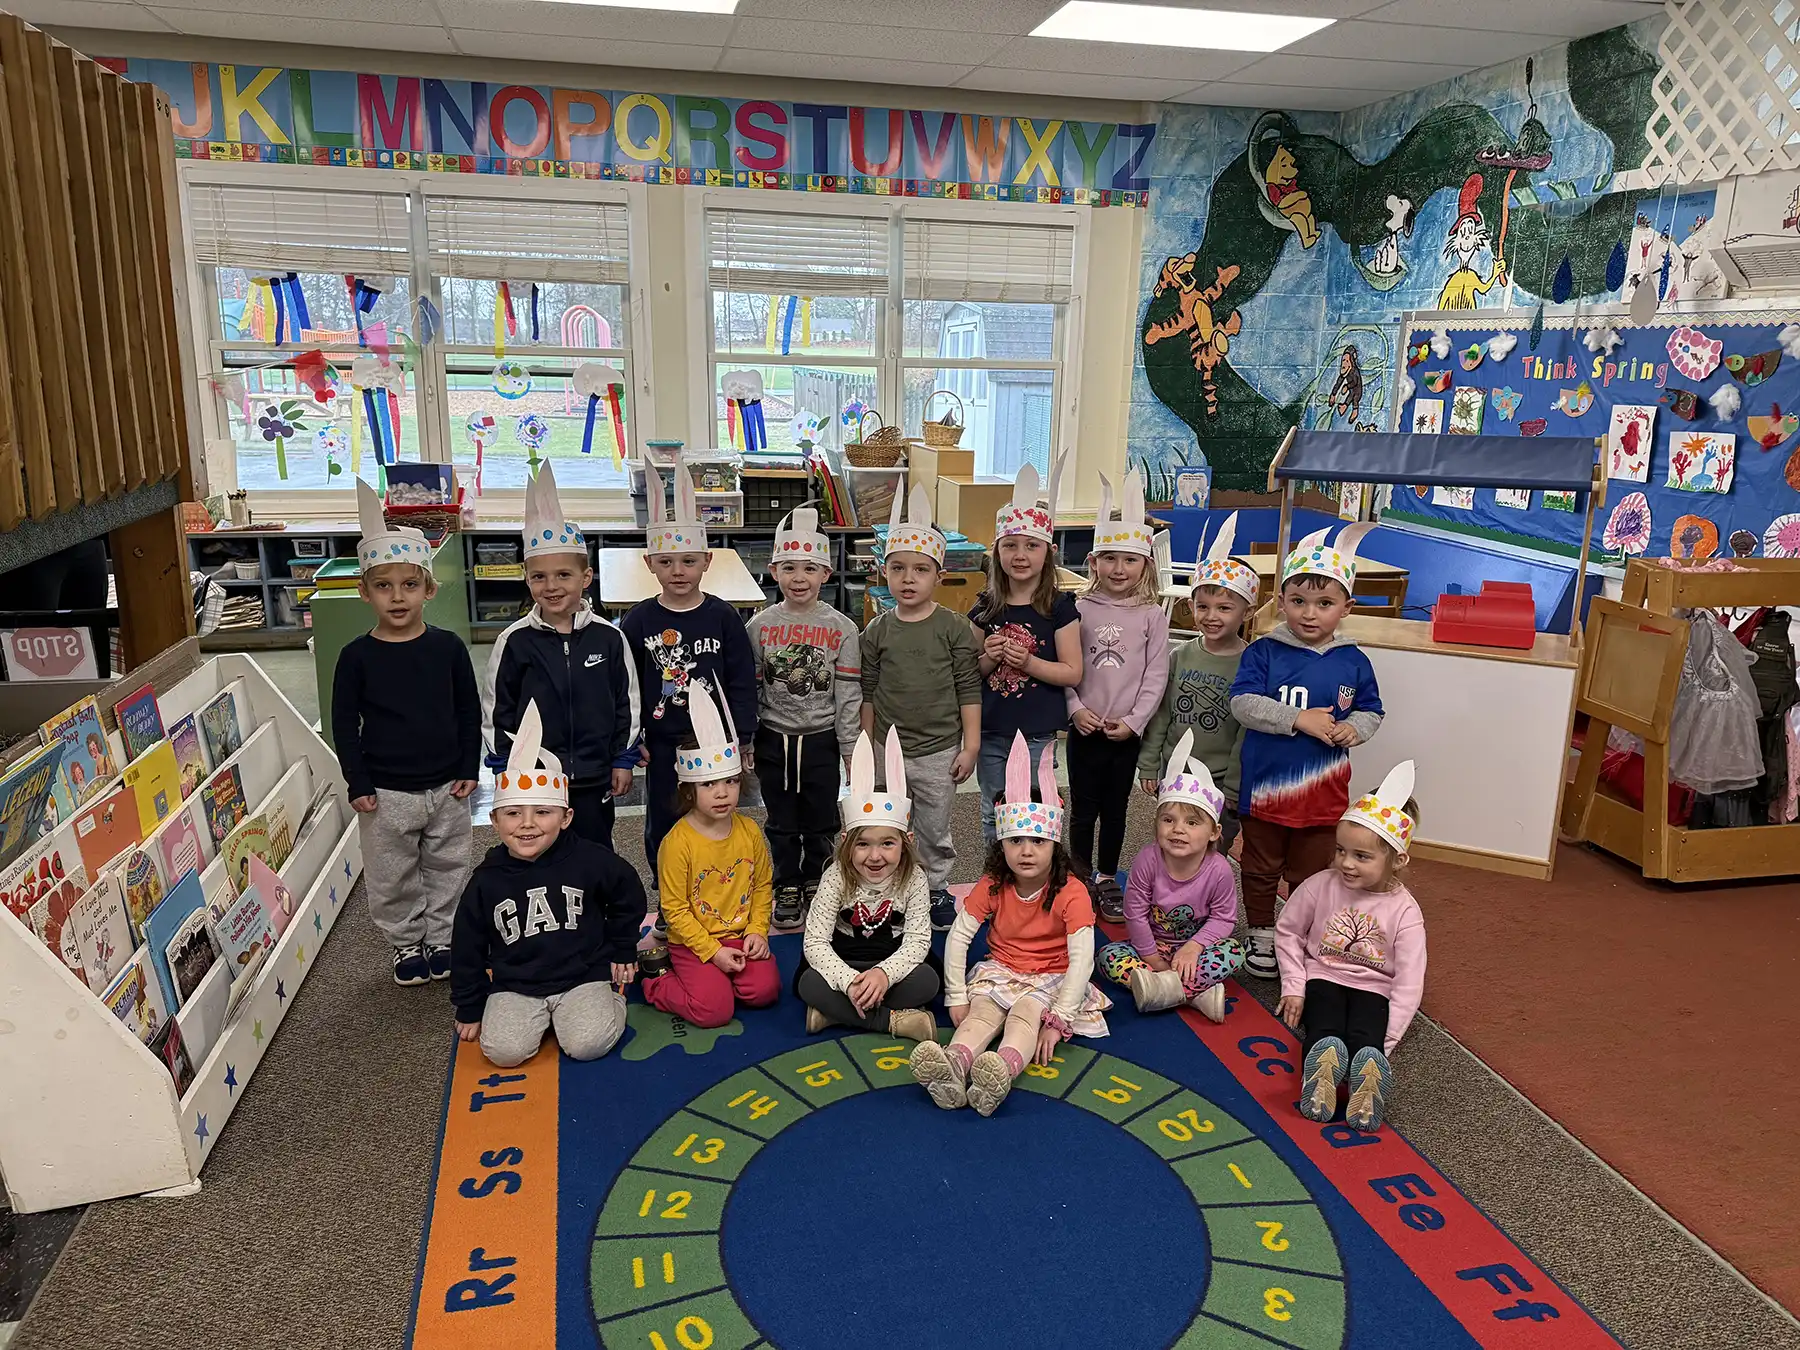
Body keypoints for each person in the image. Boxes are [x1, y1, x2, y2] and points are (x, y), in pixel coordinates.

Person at [910, 733, 1109, 1117]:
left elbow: (1082, 959)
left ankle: (1000, 1070)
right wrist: (957, 995)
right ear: (1001, 843)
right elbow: (959, 936)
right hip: (1002, 969)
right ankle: (952, 1065)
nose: (1026, 851)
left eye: (1037, 841)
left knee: (1025, 1016)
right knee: (982, 1012)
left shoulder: (1072, 892)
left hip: (1051, 976)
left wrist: (1059, 1020)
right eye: (1015, 840)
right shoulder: (993, 883)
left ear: (1055, 843)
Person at [332, 482, 479, 987]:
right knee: (391, 873)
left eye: (410, 585)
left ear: (429, 589)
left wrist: (468, 765)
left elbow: (468, 709)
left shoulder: (449, 648)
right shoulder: (356, 657)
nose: (397, 596)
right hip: (386, 790)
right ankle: (405, 942)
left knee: (448, 864)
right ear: (365, 591)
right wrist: (357, 781)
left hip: (447, 785)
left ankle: (442, 937)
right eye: (383, 586)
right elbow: (343, 723)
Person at [451, 701, 645, 1067]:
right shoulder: (486, 880)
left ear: (566, 817)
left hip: (583, 975)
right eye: (513, 813)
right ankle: (545, 1018)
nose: (527, 824)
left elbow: (628, 894)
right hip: (516, 984)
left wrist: (622, 947)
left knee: (588, 1045)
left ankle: (609, 1001)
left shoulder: (591, 859)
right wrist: (469, 1004)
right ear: (494, 820)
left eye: (542, 812)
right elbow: (466, 947)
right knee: (503, 1053)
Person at [1229, 523, 1384, 981]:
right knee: (1260, 866)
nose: (1309, 614)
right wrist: (1298, 719)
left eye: (1324, 604)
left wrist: (1355, 728)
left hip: (1323, 797)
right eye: (1298, 601)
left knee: (1312, 871)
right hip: (1265, 791)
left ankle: (1297, 932)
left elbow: (1372, 709)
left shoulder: (1354, 661)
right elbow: (1243, 703)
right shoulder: (1264, 652)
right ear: (1281, 601)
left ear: (1346, 608)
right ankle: (1261, 929)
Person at [485, 463, 639, 850]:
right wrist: (504, 766)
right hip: (534, 776)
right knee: (538, 848)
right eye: (539, 576)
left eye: (563, 575)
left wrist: (622, 758)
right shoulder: (513, 641)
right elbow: (496, 709)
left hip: (594, 773)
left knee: (595, 847)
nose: (551, 586)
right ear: (527, 578)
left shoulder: (610, 638)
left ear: (585, 578)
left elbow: (628, 702)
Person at [619, 458, 757, 876]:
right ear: (649, 563)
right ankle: (667, 887)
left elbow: (741, 680)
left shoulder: (724, 617)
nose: (678, 571)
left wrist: (744, 736)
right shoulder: (638, 621)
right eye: (666, 562)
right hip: (661, 741)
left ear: (706, 561)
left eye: (689, 561)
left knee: (717, 812)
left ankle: (716, 880)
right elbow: (626, 686)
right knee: (664, 815)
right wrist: (631, 739)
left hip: (716, 739)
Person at [1276, 762, 1426, 1133]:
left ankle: (1369, 1072)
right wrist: (1294, 986)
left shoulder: (1406, 912)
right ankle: (1325, 1069)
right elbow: (1289, 931)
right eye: (1341, 850)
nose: (1345, 863)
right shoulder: (1320, 885)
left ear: (1397, 860)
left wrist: (1386, 1042)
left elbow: (1409, 981)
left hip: (1375, 989)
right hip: (1323, 976)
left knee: (1366, 1036)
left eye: (1362, 856)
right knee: (1324, 1026)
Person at [860, 486, 981, 931]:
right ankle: (888, 887)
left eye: (920, 570)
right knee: (885, 821)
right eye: (898, 569)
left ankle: (934, 888)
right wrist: (866, 746)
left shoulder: (954, 628)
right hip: (885, 746)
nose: (908, 579)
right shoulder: (876, 630)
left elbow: (968, 687)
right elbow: (868, 691)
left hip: (938, 750)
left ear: (939, 576)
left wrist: (971, 745)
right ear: (884, 571)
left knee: (933, 824)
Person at [746, 507, 862, 930]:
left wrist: (849, 748)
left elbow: (848, 694)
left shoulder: (843, 629)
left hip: (821, 738)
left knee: (821, 816)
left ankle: (819, 877)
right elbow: (752, 689)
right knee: (780, 818)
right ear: (773, 571)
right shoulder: (759, 627)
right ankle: (787, 882)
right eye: (789, 567)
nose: (799, 578)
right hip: (773, 737)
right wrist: (747, 740)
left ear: (826, 573)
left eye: (810, 568)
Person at [640, 679, 779, 1028]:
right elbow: (674, 910)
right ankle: (658, 980)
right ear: (688, 789)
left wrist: (757, 931)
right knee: (713, 1011)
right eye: (708, 784)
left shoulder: (749, 830)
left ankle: (718, 979)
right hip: (693, 942)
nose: (722, 793)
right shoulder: (678, 843)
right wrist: (713, 952)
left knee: (764, 992)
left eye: (730, 782)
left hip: (741, 934)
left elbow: (762, 886)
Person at [1067, 469, 1168, 915]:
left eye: (1129, 560)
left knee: (1115, 809)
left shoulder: (1151, 615)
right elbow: (1067, 668)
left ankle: (1107, 876)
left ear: (1145, 564)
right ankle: (1077, 876)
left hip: (1125, 734)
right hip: (1084, 729)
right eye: (1109, 558)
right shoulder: (1078, 608)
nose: (1119, 569)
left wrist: (1134, 722)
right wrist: (1074, 709)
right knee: (1082, 808)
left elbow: (1155, 675)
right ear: (1094, 562)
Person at [796, 727, 938, 1040]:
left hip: (893, 959)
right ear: (846, 842)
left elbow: (917, 942)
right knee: (810, 983)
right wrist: (849, 981)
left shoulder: (914, 877)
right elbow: (815, 943)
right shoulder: (836, 875)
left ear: (906, 841)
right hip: (843, 959)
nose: (875, 856)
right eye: (863, 844)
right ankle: (895, 1022)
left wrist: (884, 975)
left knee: (927, 981)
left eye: (887, 843)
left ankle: (832, 1014)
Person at [971, 454, 1080, 848]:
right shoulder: (985, 608)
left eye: (1031, 546)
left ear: (1047, 552)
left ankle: (1035, 872)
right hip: (990, 731)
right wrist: (989, 657)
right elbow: (968, 674)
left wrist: (1030, 662)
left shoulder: (1059, 608)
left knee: (1035, 807)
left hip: (1037, 734)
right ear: (997, 552)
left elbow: (1072, 672)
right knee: (993, 808)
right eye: (1011, 546)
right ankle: (995, 873)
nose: (1020, 555)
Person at [1138, 512, 1258, 869]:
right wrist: (1149, 764)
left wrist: (1234, 785)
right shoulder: (1180, 655)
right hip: (1175, 773)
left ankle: (1206, 898)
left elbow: (1245, 732)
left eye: (1225, 608)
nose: (1211, 616)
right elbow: (1162, 713)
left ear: (1246, 612)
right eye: (1202, 607)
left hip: (1220, 780)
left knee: (1211, 853)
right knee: (1172, 842)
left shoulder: (1251, 664)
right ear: (1190, 607)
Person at [1099, 730, 1243, 1023]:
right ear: (1156, 824)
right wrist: (1153, 958)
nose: (1178, 829)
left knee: (1234, 952)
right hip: (1150, 947)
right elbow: (1135, 913)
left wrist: (1193, 947)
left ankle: (1161, 991)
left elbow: (1224, 919)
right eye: (1168, 820)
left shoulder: (1219, 870)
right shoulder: (1147, 860)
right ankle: (1193, 994)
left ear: (1214, 832)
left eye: (1192, 822)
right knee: (1107, 957)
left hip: (1196, 949)